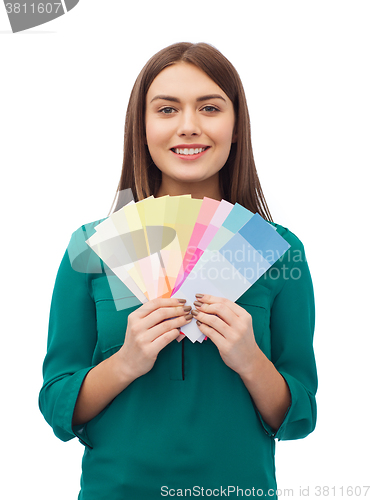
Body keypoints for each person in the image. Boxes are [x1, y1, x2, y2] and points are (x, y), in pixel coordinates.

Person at [39, 42, 317, 499]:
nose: (189, 126)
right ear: (142, 128)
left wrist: (250, 360)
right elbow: (56, 405)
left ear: (236, 126)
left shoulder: (277, 251)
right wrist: (127, 361)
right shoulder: (91, 248)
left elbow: (299, 416)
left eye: (210, 107)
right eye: (167, 109)